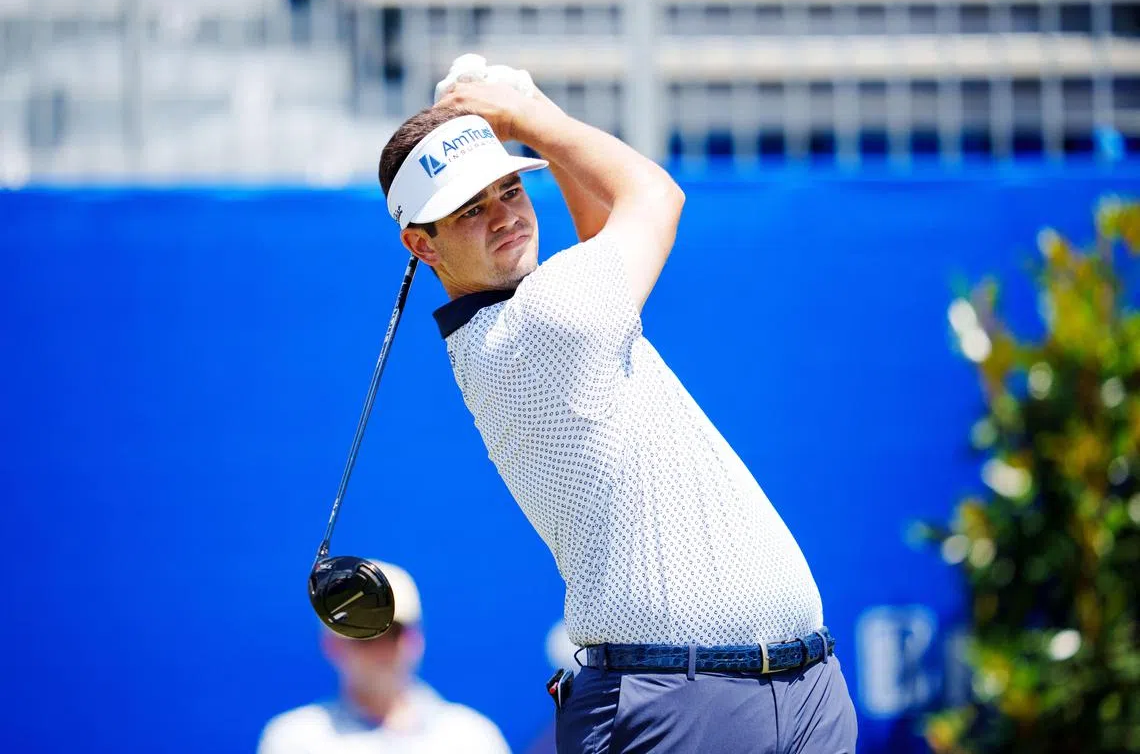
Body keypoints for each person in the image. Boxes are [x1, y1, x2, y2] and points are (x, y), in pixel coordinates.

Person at [378, 61, 858, 753]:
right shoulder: (544, 317)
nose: (506, 216)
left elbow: (601, 228)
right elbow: (653, 195)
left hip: (794, 688)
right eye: (470, 210)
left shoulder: (544, 312)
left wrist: (531, 109)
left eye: (510, 187)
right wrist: (526, 118)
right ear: (422, 245)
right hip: (682, 705)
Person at [258, 561, 510, 754]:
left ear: (416, 639)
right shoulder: (293, 741)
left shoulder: (473, 739)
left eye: (392, 632)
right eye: (363, 634)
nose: (380, 649)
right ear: (332, 645)